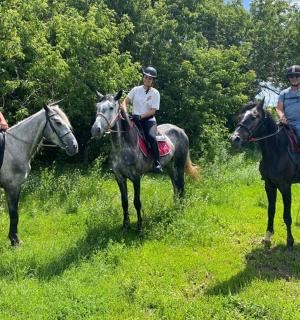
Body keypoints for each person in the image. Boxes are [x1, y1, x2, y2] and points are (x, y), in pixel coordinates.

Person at [122, 66, 162, 172]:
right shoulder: (135, 90)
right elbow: (124, 102)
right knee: (121, 134)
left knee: (151, 137)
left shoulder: (155, 93)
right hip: (134, 119)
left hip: (148, 120)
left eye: (150, 78)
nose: (147, 80)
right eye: (146, 77)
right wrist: (126, 116)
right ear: (143, 77)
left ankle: (157, 163)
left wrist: (140, 116)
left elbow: (153, 111)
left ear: (153, 80)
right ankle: (119, 161)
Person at [276, 65, 300, 141]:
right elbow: (279, 108)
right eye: (291, 76)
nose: (294, 78)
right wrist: (282, 117)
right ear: (288, 78)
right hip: (286, 122)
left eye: (297, 76)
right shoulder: (284, 93)